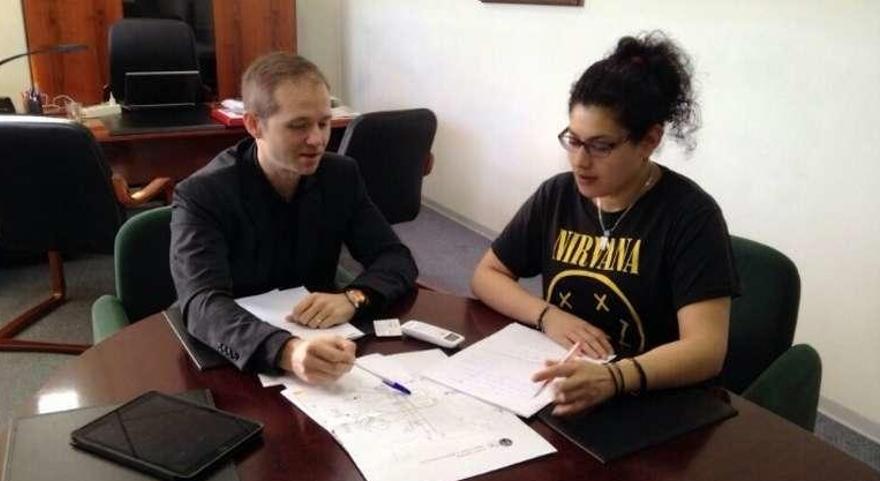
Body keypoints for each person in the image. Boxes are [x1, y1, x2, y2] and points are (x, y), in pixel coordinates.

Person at [471, 32, 739, 416]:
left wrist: (616, 378)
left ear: (649, 140)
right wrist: (548, 315)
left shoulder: (690, 215)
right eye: (573, 140)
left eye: (600, 146)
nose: (580, 161)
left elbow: (706, 350)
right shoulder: (558, 195)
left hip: (649, 400)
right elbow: (487, 274)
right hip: (566, 388)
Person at [170, 52, 418, 383]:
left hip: (325, 345)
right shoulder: (202, 194)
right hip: (237, 357)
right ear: (254, 124)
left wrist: (352, 298)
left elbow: (394, 257)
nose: (317, 140)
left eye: (324, 123)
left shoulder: (340, 175)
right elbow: (202, 304)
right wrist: (287, 351)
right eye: (298, 125)